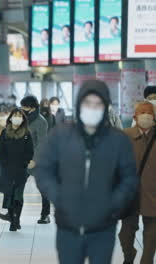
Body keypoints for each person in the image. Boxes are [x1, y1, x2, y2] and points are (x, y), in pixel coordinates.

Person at [35, 80, 138, 264]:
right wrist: (59, 197)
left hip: (103, 227)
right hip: (68, 226)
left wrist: (112, 204)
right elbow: (44, 171)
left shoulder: (118, 140)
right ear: (79, 105)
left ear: (105, 107)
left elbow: (129, 178)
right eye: (87, 103)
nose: (92, 108)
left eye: (97, 104)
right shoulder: (60, 136)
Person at [119, 102, 156, 264]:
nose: (146, 118)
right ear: (136, 117)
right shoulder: (125, 136)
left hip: (153, 194)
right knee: (125, 235)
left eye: (150, 116)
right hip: (129, 195)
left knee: (151, 236)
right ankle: (129, 255)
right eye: (143, 115)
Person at [0, 108, 34, 231]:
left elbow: (30, 151)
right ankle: (12, 220)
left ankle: (16, 219)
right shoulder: (5, 132)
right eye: (15, 115)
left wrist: (25, 162)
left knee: (18, 195)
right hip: (7, 169)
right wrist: (3, 162)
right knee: (9, 195)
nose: (17, 118)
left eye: (20, 116)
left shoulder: (27, 134)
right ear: (11, 118)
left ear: (23, 119)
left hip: (20, 170)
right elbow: (0, 150)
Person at [20, 96, 50, 224]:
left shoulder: (41, 121)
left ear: (31, 107)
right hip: (23, 159)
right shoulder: (23, 118)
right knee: (18, 186)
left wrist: (34, 160)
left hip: (37, 161)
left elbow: (42, 143)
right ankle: (13, 214)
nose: (22, 108)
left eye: (24, 106)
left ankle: (45, 214)